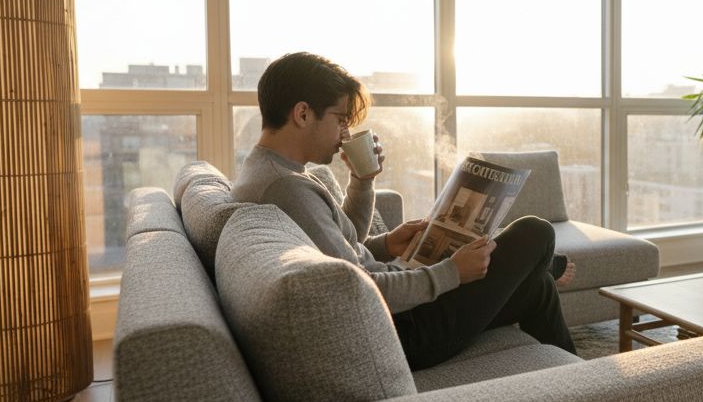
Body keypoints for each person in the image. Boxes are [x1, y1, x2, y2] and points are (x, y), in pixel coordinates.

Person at [232, 52, 576, 369]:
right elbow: (360, 288)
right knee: (535, 232)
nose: (345, 133)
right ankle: (548, 261)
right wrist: (451, 273)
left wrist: (377, 221)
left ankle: (583, 385)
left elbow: (338, 248)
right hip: (403, 330)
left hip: (396, 312)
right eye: (340, 119)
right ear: (303, 113)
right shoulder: (285, 187)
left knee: (537, 287)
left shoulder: (274, 171)